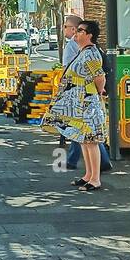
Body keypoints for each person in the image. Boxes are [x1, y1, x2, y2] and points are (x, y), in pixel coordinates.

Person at [42, 19, 108, 192]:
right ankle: (88, 175)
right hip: (80, 103)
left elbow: (99, 76)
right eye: (77, 30)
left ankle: (95, 179)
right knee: (84, 140)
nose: (76, 33)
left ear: (89, 35)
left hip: (88, 103)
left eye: (80, 31)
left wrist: (97, 92)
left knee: (91, 141)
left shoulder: (91, 53)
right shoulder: (83, 52)